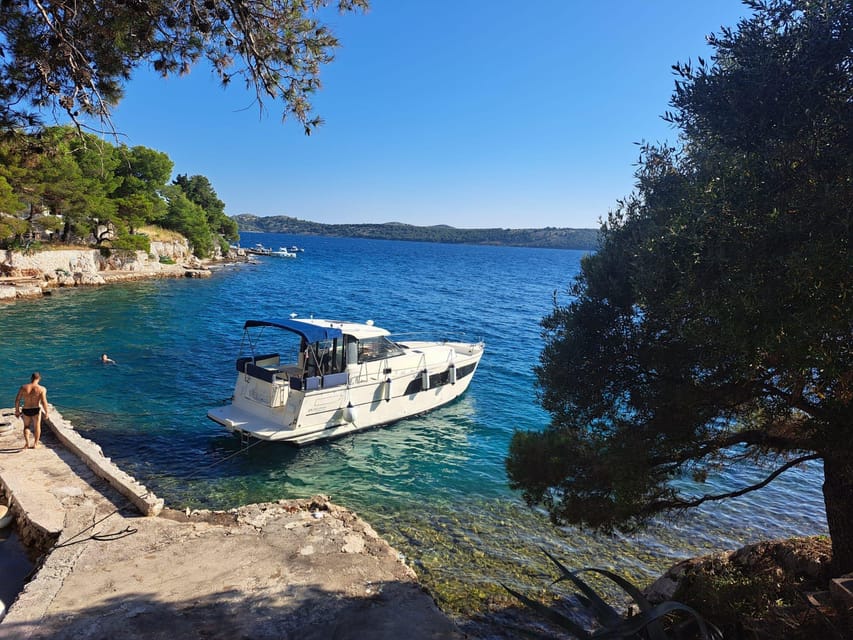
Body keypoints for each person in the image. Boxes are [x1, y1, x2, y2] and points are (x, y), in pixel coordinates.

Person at [14, 372, 49, 449]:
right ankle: (35, 444)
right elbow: (43, 401)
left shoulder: (23, 387)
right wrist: (47, 412)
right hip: (36, 409)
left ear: (31, 378)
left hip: (26, 409)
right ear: (39, 378)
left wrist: (17, 410)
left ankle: (27, 444)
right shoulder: (42, 389)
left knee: (26, 426)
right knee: (37, 426)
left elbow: (17, 400)